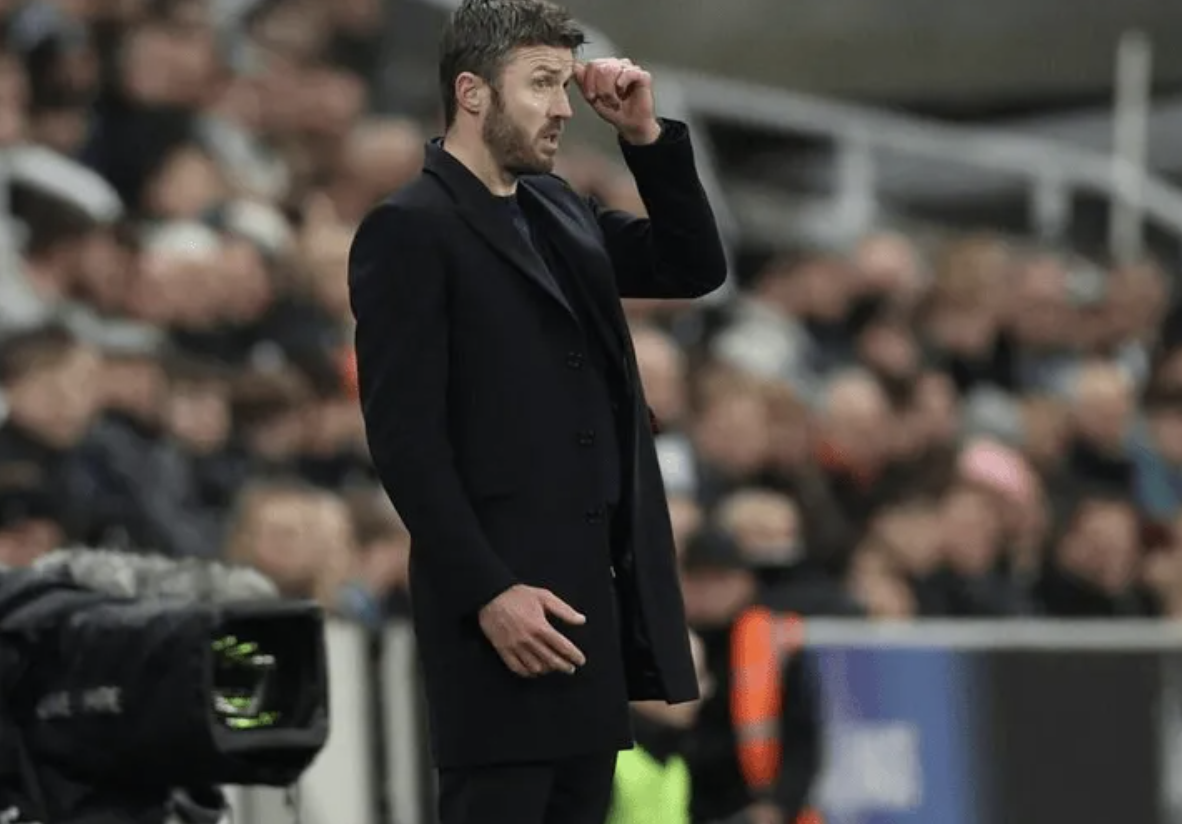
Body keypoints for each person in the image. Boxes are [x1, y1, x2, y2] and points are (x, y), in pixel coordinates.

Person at [347, 0, 728, 821]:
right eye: (542, 84)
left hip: (586, 608)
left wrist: (643, 137)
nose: (562, 107)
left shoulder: (557, 206)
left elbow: (692, 265)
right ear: (472, 92)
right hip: (499, 619)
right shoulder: (408, 229)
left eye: (564, 84)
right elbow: (406, 442)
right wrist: (490, 590)